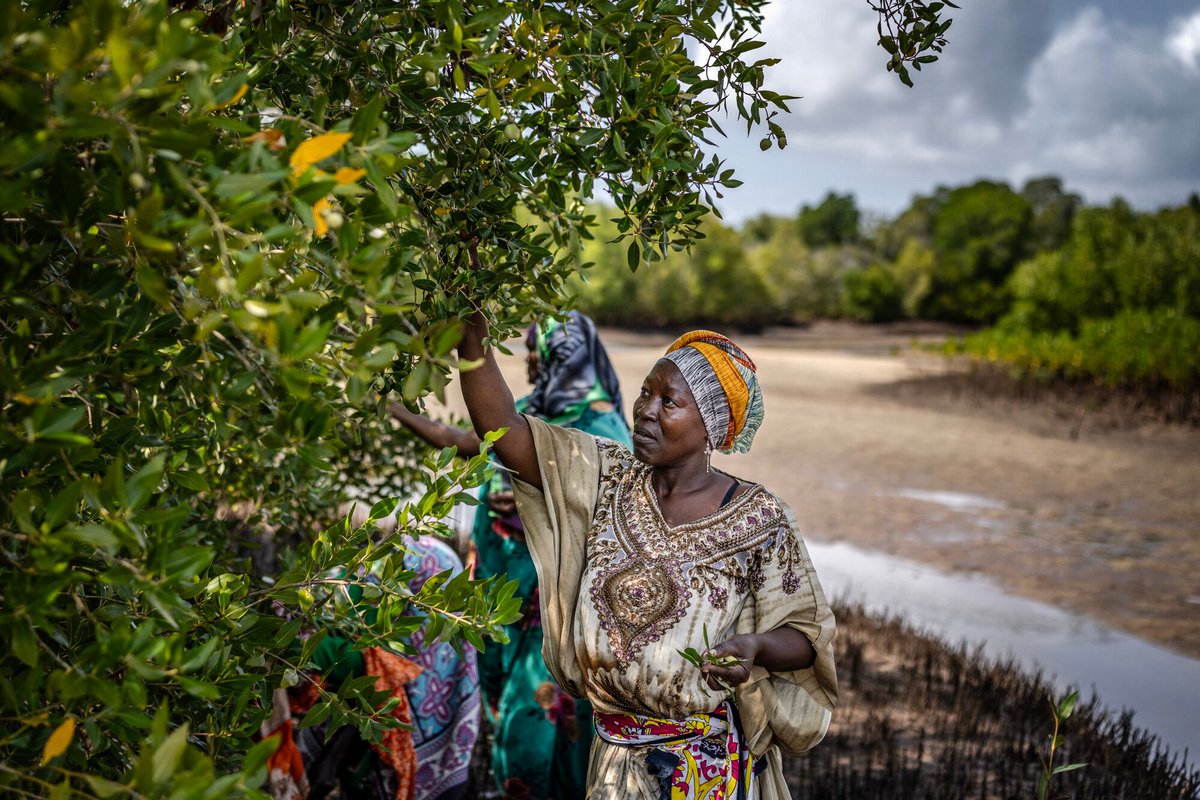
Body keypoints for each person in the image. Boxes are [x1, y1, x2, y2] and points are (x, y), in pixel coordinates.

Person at [453, 249, 837, 799]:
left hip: (702, 774)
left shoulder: (760, 519)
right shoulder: (605, 476)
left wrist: (755, 645)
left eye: (670, 401)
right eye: (645, 392)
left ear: (712, 426)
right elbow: (507, 431)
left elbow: (806, 635)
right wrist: (473, 344)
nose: (646, 410)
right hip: (610, 764)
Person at [392, 312, 632, 799]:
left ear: (560, 354)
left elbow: (618, 517)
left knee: (540, 729)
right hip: (512, 603)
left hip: (558, 614)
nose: (528, 360)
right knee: (518, 727)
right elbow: (469, 443)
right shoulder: (527, 410)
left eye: (534, 350)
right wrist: (398, 411)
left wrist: (534, 509)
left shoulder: (602, 425)